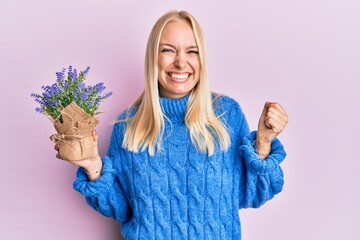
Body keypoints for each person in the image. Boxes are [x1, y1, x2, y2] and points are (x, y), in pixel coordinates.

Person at [55, 10, 288, 239]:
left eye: (192, 51)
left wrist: (264, 143)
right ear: (153, 58)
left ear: (202, 59)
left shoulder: (226, 115)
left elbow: (256, 194)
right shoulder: (128, 126)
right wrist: (93, 166)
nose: (180, 62)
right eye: (168, 50)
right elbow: (121, 209)